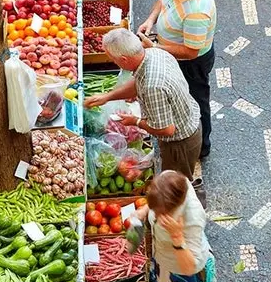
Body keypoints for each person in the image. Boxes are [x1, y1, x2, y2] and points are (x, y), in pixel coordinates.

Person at [85, 29, 205, 186]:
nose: (114, 63)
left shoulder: (152, 86)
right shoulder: (155, 54)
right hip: (189, 121)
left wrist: (135, 122)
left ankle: (192, 200)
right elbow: (137, 84)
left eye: (113, 60)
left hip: (179, 143)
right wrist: (107, 97)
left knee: (175, 187)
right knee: (177, 181)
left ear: (124, 59)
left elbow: (167, 129)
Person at [138, 0, 217, 161]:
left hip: (192, 64)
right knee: (179, 96)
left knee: (197, 101)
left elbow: (190, 51)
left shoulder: (197, 11)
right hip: (174, 54)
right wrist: (150, 20)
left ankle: (201, 146)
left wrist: (155, 48)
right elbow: (164, 0)